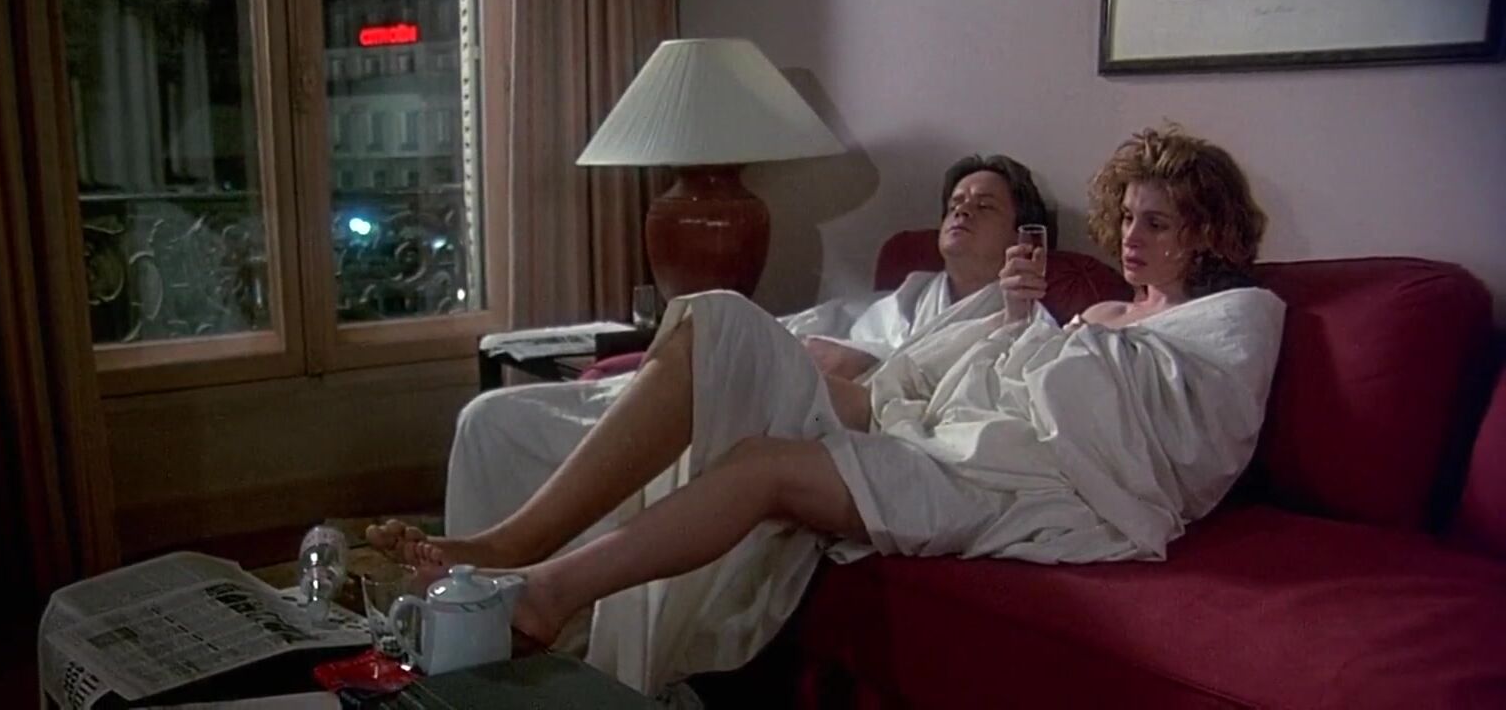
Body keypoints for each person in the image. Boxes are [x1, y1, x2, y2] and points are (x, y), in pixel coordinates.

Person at [370, 126, 1284, 697]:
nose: (1128, 237)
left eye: (1156, 222)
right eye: (1125, 218)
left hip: (1024, 488)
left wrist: (1046, 348)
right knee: (725, 342)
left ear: (1207, 231)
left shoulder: (1238, 315)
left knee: (759, 450)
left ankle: (537, 582)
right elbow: (998, 377)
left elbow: (1181, 458)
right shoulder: (1101, 311)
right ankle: (523, 561)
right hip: (950, 440)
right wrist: (1022, 333)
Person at [423, 154, 1050, 569]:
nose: (961, 210)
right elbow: (806, 332)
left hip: (825, 427)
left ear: (1024, 237)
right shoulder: (903, 297)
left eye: (984, 206)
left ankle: (507, 554)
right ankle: (464, 603)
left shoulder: (1023, 325)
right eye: (955, 201)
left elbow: (964, 418)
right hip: (769, 388)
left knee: (722, 314)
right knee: (491, 418)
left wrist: (859, 366)